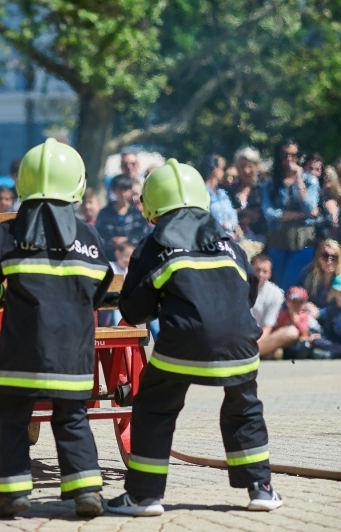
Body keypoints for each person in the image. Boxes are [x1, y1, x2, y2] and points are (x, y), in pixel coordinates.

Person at [109, 159, 282, 516]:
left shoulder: (154, 244)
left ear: (152, 205)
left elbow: (135, 310)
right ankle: (261, 489)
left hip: (182, 345)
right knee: (244, 408)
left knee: (154, 406)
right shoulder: (229, 243)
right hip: (240, 345)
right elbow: (247, 290)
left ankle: (144, 497)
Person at [0, 139, 111, 519]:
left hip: (21, 350)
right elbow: (100, 289)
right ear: (77, 186)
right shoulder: (91, 239)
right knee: (72, 417)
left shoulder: (7, 234)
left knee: (12, 415)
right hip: (74, 354)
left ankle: (11, 494)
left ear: (23, 184)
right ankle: (87, 492)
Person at [262, 138, 319, 289]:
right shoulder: (270, 184)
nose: (289, 159)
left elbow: (308, 206)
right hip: (277, 241)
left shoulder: (310, 180)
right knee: (279, 285)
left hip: (303, 241)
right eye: (285, 155)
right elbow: (269, 214)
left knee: (291, 284)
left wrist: (299, 179)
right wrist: (302, 215)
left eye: (293, 155)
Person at [250, 254, 293, 359]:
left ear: (269, 274)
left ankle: (250, 352)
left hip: (260, 338)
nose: (260, 274)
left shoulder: (276, 294)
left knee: (291, 332)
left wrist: (253, 345)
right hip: (240, 336)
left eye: (264, 271)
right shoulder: (239, 288)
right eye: (257, 270)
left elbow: (267, 327)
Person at [95, 175, 148, 259]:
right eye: (120, 190)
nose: (123, 194)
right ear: (113, 190)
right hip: (109, 258)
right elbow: (97, 236)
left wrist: (128, 241)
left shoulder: (137, 215)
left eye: (126, 190)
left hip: (132, 258)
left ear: (131, 191)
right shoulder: (104, 214)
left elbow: (143, 236)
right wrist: (111, 242)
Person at [227, 147, 266, 239]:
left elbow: (267, 214)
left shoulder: (264, 187)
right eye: (242, 166)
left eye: (249, 166)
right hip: (236, 239)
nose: (246, 171)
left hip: (261, 239)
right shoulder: (231, 190)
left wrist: (242, 212)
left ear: (257, 166)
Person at [275, 286, 322, 360]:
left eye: (300, 302)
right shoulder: (283, 315)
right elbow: (278, 328)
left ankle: (305, 354)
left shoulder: (305, 316)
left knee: (305, 345)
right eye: (294, 302)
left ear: (304, 304)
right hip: (287, 343)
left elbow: (304, 330)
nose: (296, 305)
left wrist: (296, 320)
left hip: (301, 342)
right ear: (287, 302)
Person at [296, 240, 341, 309]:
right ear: (319, 258)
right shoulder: (307, 275)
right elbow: (298, 292)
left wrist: (320, 313)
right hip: (310, 313)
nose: (329, 261)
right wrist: (305, 304)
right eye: (325, 256)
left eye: (334, 257)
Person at [200, 155, 237, 234]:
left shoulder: (222, 193)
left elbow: (234, 216)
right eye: (222, 169)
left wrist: (228, 226)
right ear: (215, 170)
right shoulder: (202, 193)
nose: (223, 173)